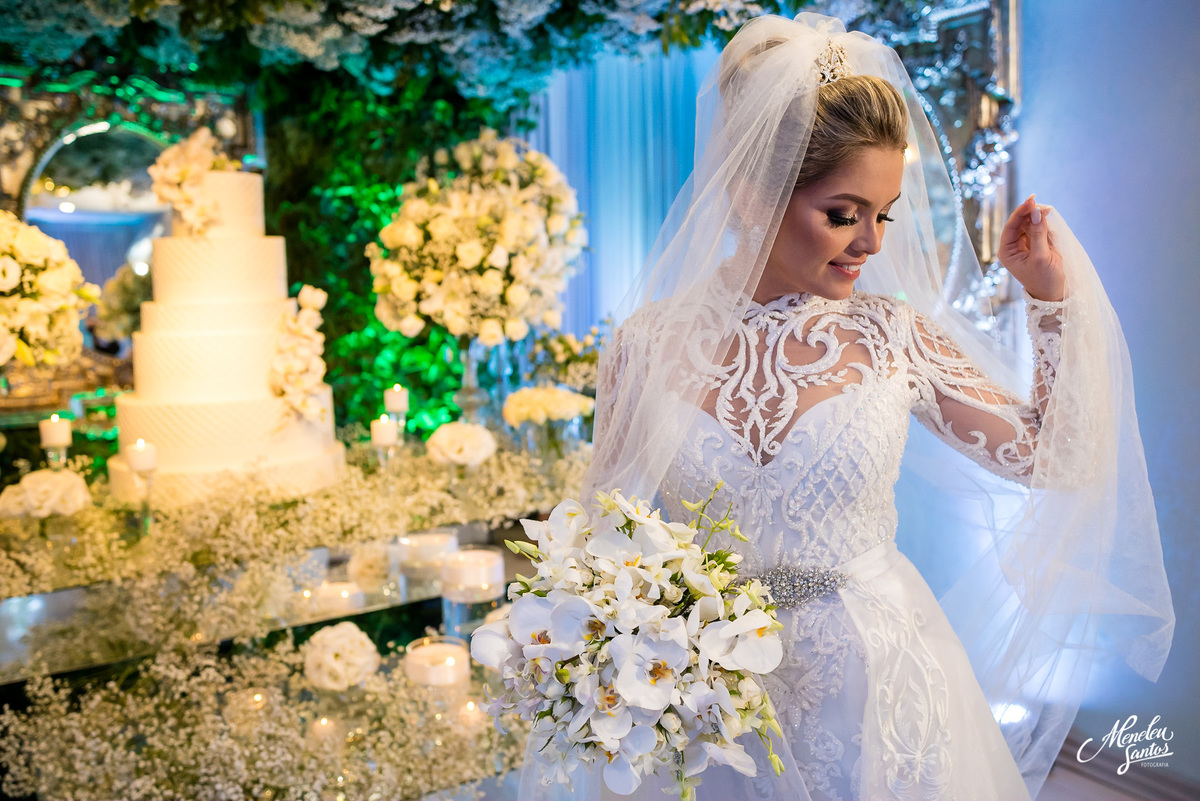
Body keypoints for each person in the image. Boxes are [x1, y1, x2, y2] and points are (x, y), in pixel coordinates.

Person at [522, 11, 1174, 801]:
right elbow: (606, 533)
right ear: (751, 194)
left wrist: (1049, 303)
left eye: (883, 213)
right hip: (706, 705)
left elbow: (1054, 457)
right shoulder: (645, 344)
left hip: (881, 693)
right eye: (844, 213)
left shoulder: (894, 334)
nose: (870, 242)